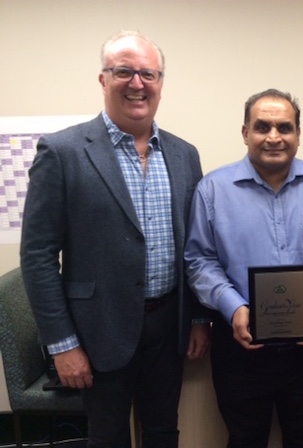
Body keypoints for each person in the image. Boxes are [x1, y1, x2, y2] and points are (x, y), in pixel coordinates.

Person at [20, 30, 211, 447]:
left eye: (148, 74)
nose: (137, 83)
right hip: (98, 328)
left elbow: (197, 247)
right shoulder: (62, 152)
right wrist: (63, 344)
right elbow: (37, 256)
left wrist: (198, 318)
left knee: (163, 431)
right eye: (124, 71)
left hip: (168, 324)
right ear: (103, 79)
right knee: (107, 438)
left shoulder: (184, 154)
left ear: (160, 82)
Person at [184, 88, 303, 448]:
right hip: (239, 345)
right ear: (245, 132)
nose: (274, 137)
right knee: (244, 439)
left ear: (298, 134)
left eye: (284, 127)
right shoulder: (212, 190)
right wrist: (234, 307)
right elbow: (199, 261)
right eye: (262, 127)